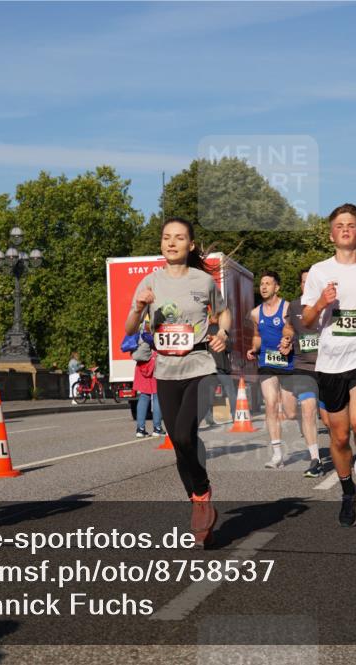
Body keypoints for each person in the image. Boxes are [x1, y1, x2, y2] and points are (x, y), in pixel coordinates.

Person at [124, 217, 230, 547]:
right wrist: (140, 306)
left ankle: (201, 491)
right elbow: (129, 329)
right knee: (178, 443)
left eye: (179, 238)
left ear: (191, 245)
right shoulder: (149, 283)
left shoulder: (204, 281)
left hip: (200, 364)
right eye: (166, 237)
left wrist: (222, 333)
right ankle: (200, 502)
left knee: (185, 433)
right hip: (166, 370)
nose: (171, 242)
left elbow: (223, 312)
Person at [302, 203, 356, 527]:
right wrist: (322, 303)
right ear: (331, 234)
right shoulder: (319, 271)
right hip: (330, 362)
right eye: (339, 225)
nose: (345, 229)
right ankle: (346, 491)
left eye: (351, 224)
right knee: (339, 437)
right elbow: (308, 321)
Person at [246, 271, 297, 470]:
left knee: (291, 412)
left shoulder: (287, 308)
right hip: (266, 361)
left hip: (286, 362)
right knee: (270, 403)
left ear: (277, 287)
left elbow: (292, 329)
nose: (264, 287)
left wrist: (288, 340)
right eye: (261, 284)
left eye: (268, 283)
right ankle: (277, 454)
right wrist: (254, 348)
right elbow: (257, 335)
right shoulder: (255, 313)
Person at [289, 266, 326, 477]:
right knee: (308, 409)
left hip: (328, 368)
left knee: (331, 421)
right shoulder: (293, 306)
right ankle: (315, 459)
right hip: (304, 367)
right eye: (304, 282)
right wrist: (286, 338)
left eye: (311, 281)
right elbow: (288, 327)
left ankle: (340, 448)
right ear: (301, 285)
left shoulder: (327, 307)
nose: (307, 285)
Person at [201, 315, 238, 428]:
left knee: (209, 393)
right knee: (230, 391)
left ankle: (209, 417)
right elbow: (229, 348)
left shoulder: (204, 330)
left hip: (209, 367)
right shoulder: (223, 332)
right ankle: (234, 415)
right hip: (222, 366)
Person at [132, 336, 164, 438]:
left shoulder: (140, 327)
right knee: (157, 396)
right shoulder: (155, 323)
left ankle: (140, 429)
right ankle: (157, 428)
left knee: (143, 396)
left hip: (141, 364)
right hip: (155, 363)